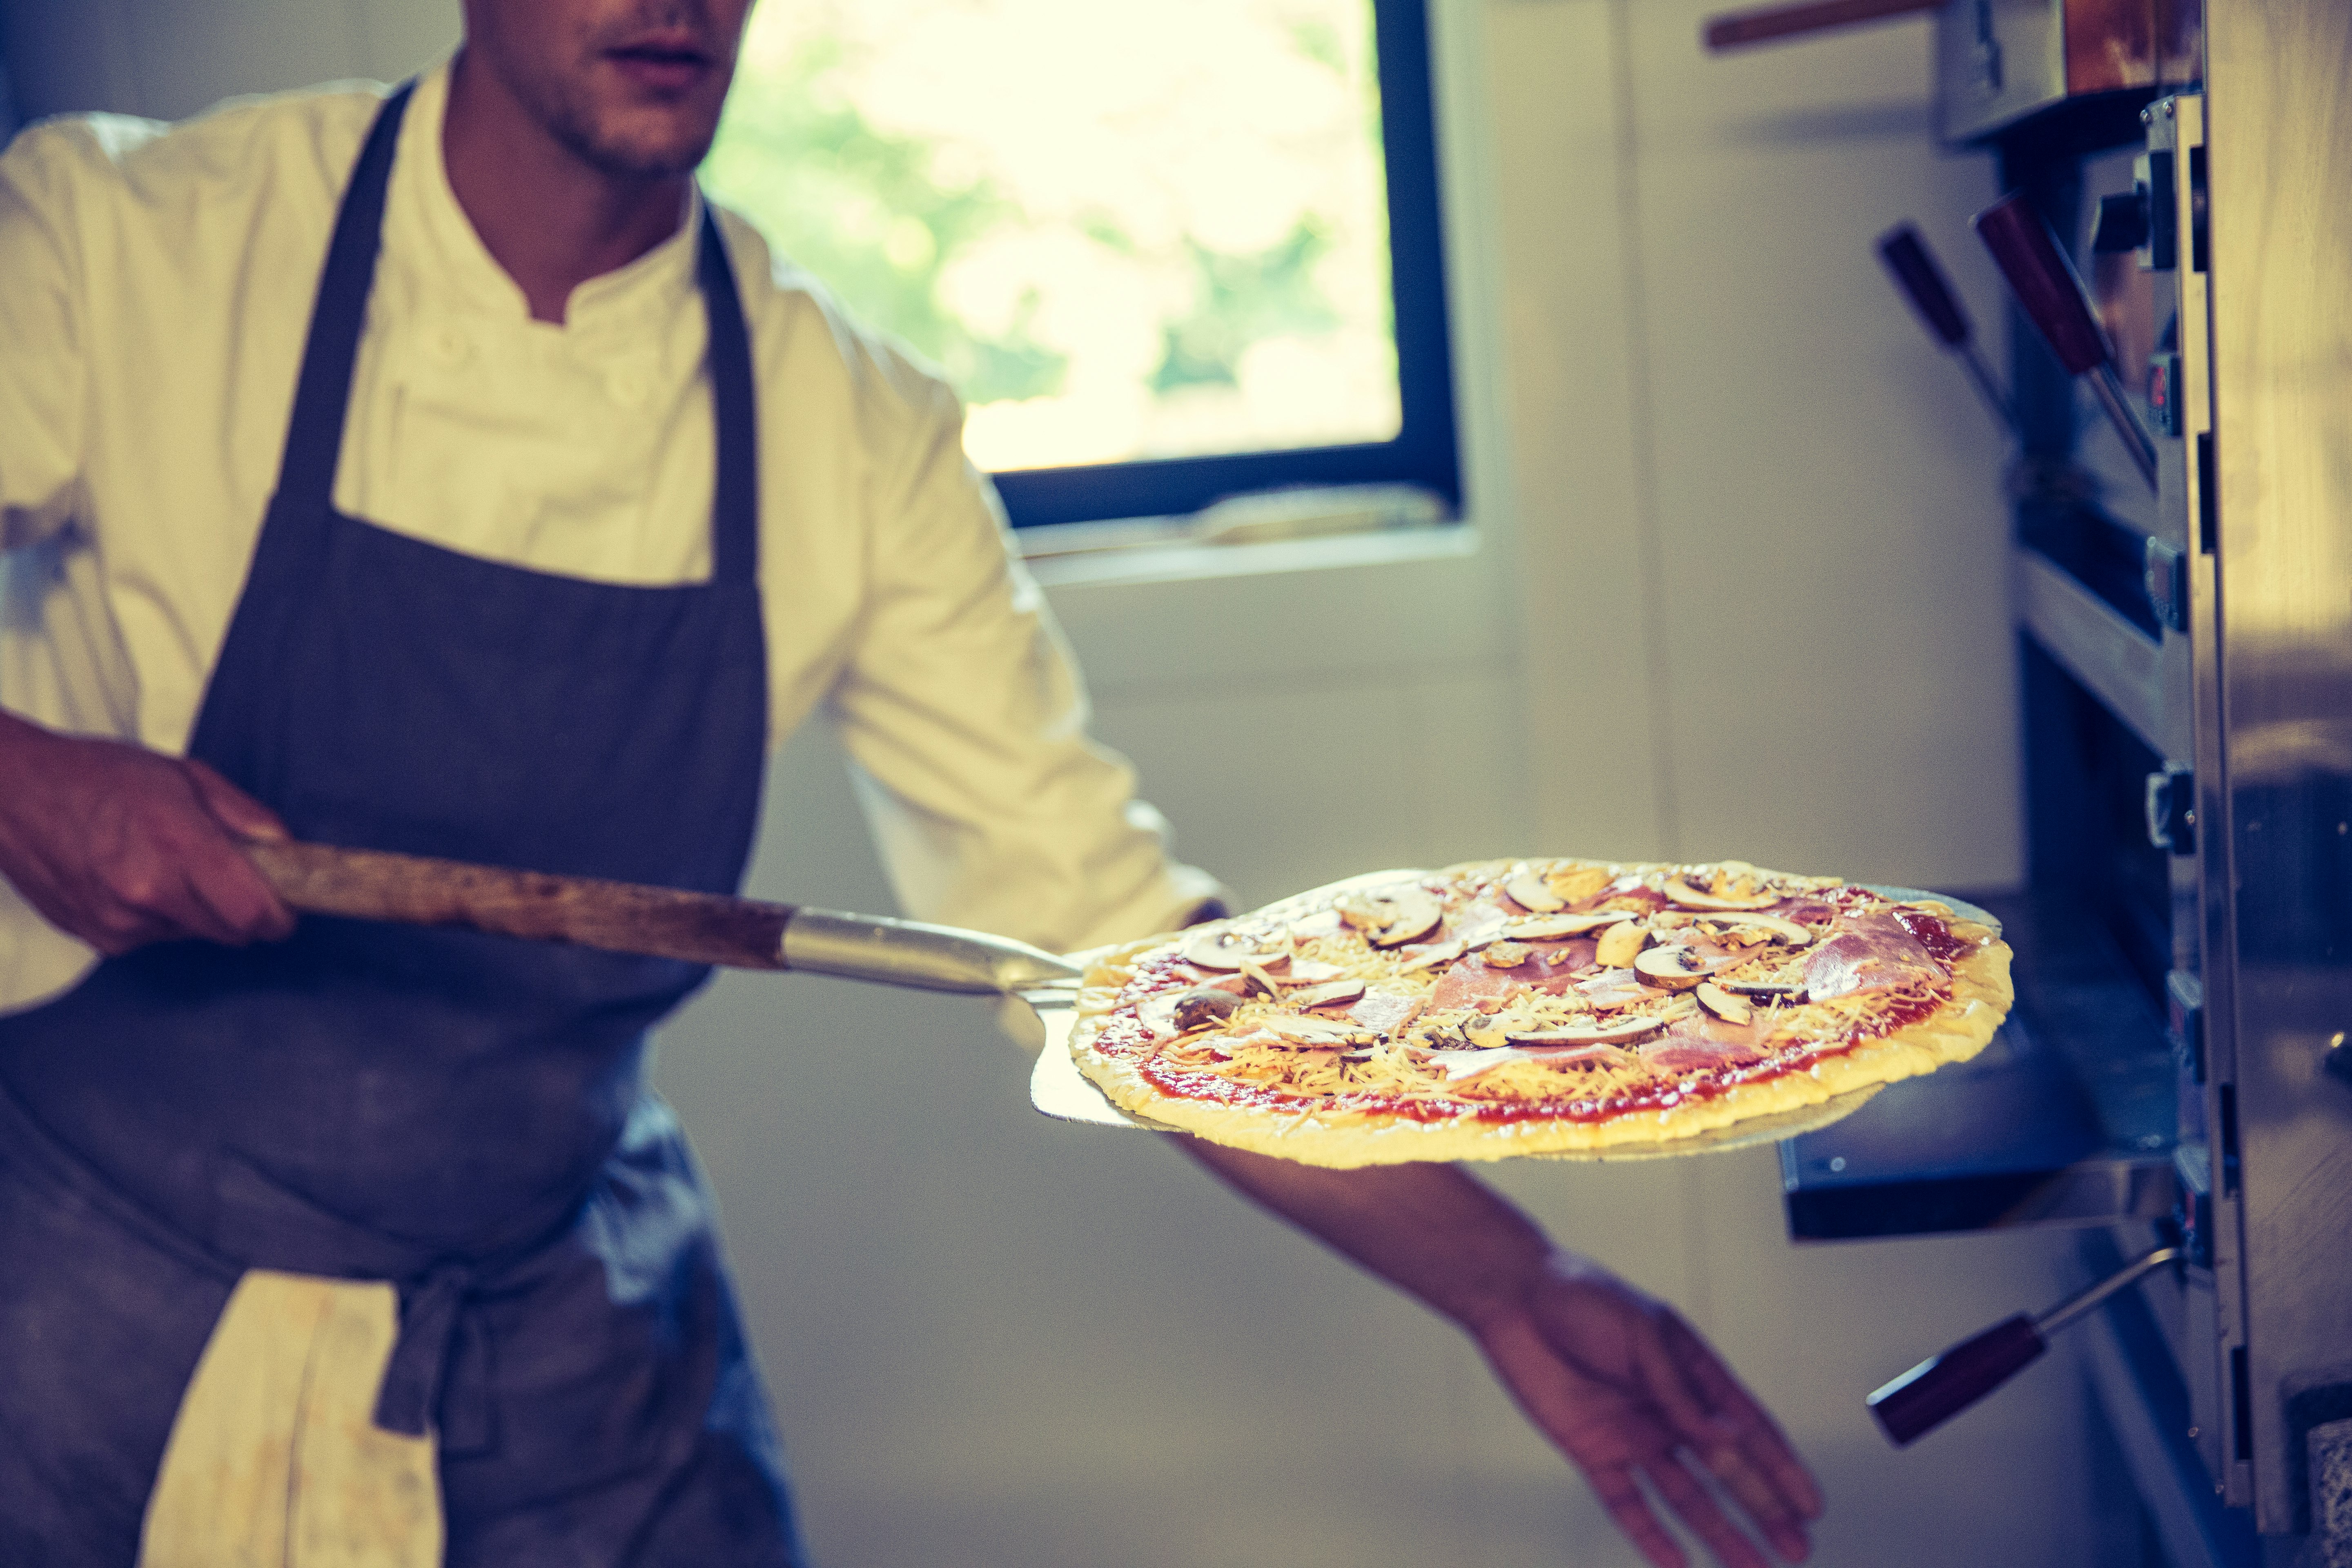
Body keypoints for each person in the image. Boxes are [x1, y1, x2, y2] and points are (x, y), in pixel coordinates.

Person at [0, 2, 1824, 1564]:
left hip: (567, 1341)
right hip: (90, 1308)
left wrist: (1508, 1281)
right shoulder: (130, 241)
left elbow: (1110, 956)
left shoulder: (851, 431)